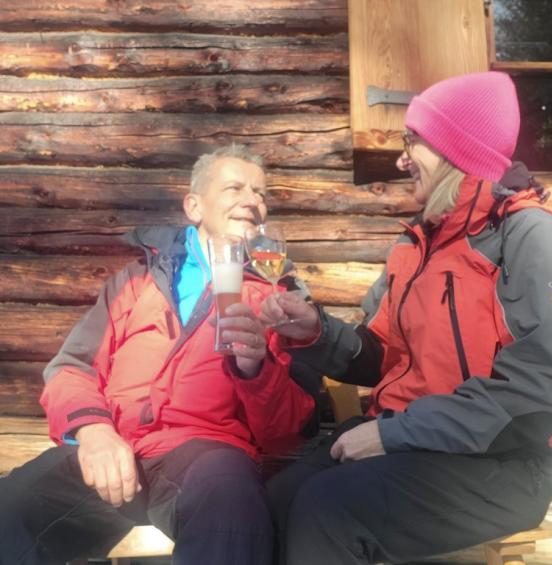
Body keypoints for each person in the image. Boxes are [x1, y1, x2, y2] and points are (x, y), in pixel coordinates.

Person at [262, 71, 552, 565]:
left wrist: (392, 434)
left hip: (504, 462)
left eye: (412, 140)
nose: (401, 158)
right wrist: (316, 332)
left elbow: (538, 394)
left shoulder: (529, 235)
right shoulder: (417, 243)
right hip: (412, 441)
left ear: (455, 148)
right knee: (275, 499)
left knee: (330, 509)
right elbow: (380, 356)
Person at [0, 145, 317, 565]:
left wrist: (256, 369)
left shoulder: (282, 299)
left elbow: (291, 429)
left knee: (232, 510)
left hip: (204, 457)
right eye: (235, 188)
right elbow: (71, 369)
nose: (251, 201)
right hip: (113, 446)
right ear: (194, 206)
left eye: (260, 193)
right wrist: (94, 433)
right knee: (12, 508)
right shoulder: (136, 281)